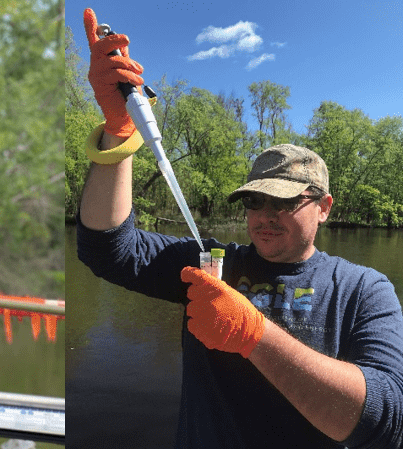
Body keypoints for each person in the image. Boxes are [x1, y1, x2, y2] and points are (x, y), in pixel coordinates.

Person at [76, 8, 403, 448]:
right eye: (255, 200)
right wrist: (119, 132)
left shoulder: (364, 288)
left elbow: (383, 420)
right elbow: (107, 249)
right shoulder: (212, 263)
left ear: (324, 208)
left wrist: (254, 335)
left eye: (285, 201)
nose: (265, 215)